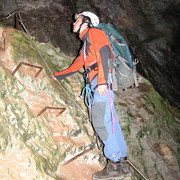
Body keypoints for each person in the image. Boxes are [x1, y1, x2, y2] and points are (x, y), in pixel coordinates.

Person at [51, 11, 131, 180]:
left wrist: (101, 81)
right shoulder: (86, 45)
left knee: (100, 121)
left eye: (77, 20)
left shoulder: (94, 33)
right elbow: (77, 65)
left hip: (102, 81)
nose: (73, 23)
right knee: (110, 121)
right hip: (99, 82)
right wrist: (57, 75)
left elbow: (104, 53)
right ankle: (122, 163)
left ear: (86, 22)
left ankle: (114, 162)